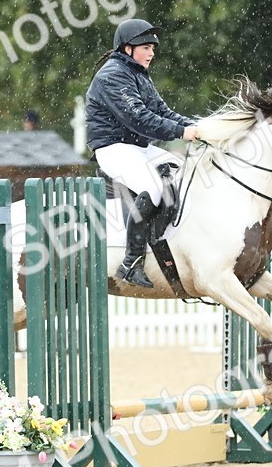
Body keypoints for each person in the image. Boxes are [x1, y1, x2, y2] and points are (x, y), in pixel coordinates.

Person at [85, 18, 200, 288]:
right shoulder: (111, 75)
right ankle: (131, 262)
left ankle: (163, 241)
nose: (151, 53)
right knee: (154, 187)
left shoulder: (138, 75)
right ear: (127, 49)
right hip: (113, 149)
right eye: (146, 47)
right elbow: (139, 118)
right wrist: (181, 132)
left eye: (153, 48)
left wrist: (197, 127)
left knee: (183, 173)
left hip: (139, 148)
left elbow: (164, 112)